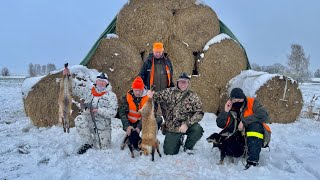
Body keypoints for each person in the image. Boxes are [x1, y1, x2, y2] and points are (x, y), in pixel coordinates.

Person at [147, 72, 204, 155]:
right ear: (177, 82)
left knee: (198, 130)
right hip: (173, 126)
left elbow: (200, 112)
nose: (183, 84)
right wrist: (151, 95)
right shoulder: (170, 92)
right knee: (169, 152)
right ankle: (178, 138)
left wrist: (187, 124)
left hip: (186, 125)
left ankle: (188, 147)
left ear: (188, 83)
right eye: (181, 81)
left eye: (185, 82)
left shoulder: (193, 96)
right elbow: (157, 96)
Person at [216, 88, 270, 169]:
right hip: (239, 138)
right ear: (231, 100)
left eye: (239, 100)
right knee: (227, 147)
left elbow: (264, 115)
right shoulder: (230, 106)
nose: (237, 102)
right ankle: (244, 151)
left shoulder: (251, 102)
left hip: (253, 136)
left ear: (243, 98)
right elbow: (220, 124)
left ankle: (252, 161)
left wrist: (244, 121)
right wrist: (225, 111)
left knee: (255, 126)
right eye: (235, 100)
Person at [75, 73, 118, 154]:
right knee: (80, 119)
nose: (101, 83)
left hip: (103, 125)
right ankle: (87, 143)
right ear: (96, 82)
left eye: (103, 81)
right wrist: (68, 77)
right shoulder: (89, 92)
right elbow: (76, 90)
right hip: (90, 120)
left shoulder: (111, 96)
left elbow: (113, 113)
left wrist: (98, 110)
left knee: (103, 149)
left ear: (107, 83)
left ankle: (98, 138)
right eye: (99, 81)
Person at [119, 76, 162, 143]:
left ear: (143, 89)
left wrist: (139, 127)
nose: (138, 92)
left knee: (158, 119)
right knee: (131, 141)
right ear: (132, 89)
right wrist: (127, 126)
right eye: (136, 90)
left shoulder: (149, 97)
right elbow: (122, 113)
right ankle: (130, 134)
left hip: (144, 122)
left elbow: (148, 115)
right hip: (131, 122)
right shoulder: (127, 96)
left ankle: (150, 137)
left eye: (140, 90)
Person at [139, 42, 175, 121]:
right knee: (152, 112)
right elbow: (141, 74)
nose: (158, 54)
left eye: (159, 52)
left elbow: (170, 74)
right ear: (153, 51)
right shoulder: (148, 61)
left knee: (167, 111)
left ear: (162, 51)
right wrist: (142, 87)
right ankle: (152, 128)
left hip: (164, 91)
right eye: (156, 52)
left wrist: (171, 87)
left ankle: (168, 127)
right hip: (152, 91)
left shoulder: (167, 61)